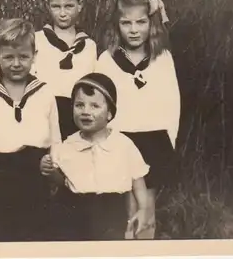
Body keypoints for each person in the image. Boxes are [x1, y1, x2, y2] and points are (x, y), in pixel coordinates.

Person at [0, 18, 62, 242]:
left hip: (35, 171)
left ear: (34, 56)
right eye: (8, 57)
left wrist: (53, 168)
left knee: (35, 230)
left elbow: (56, 136)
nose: (16, 64)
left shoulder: (44, 92)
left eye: (23, 57)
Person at [95, 0, 181, 239]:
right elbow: (99, 107)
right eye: (126, 23)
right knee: (121, 215)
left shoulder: (162, 58)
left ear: (150, 23)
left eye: (141, 22)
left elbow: (172, 104)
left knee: (146, 214)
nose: (134, 30)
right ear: (117, 25)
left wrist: (169, 142)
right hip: (119, 143)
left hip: (153, 143)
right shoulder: (106, 60)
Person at [40, 73, 153, 240]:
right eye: (79, 105)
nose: (86, 112)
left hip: (111, 211)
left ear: (109, 113)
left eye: (95, 106)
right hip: (74, 210)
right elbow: (63, 182)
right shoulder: (68, 145)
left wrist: (143, 209)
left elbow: (138, 180)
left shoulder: (123, 144)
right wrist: (50, 171)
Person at [33, 0, 98, 141]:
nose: (62, 13)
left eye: (68, 6)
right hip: (43, 117)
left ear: (80, 5)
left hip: (77, 121)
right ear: (48, 6)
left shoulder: (89, 47)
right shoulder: (37, 40)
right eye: (56, 6)